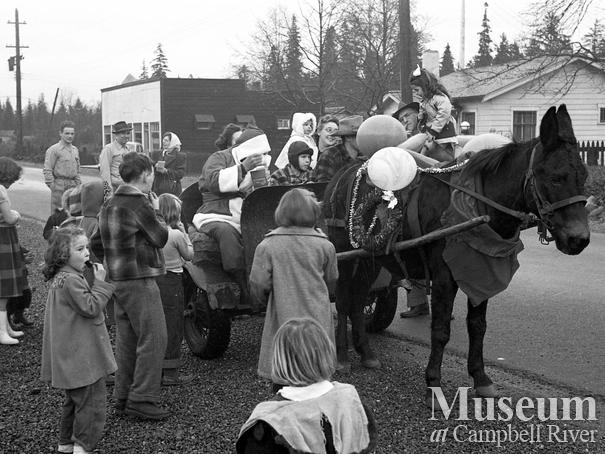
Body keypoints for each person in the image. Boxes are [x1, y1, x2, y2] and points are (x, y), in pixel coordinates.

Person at [96, 151, 170, 420]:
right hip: (140, 279)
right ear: (146, 174)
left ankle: (123, 395)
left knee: (127, 340)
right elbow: (160, 237)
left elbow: (95, 243)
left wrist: (114, 260)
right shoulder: (140, 204)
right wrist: (158, 210)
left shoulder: (110, 203)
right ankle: (143, 398)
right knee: (154, 337)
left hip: (117, 279)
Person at [236, 318, 376, 453]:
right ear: (326, 354)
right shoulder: (350, 399)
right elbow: (365, 443)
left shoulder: (269, 423)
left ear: (279, 361)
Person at [40, 227, 116, 454]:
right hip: (82, 357)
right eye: (80, 249)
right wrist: (101, 283)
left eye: (87, 248)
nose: (87, 254)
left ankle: (66, 444)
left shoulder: (61, 277)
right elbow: (91, 307)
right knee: (91, 404)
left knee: (74, 402)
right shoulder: (72, 280)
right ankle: (83, 447)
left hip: (70, 354)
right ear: (63, 254)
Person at [250, 188, 338, 381]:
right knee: (318, 365)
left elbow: (258, 283)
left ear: (281, 212)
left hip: (283, 313)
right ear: (314, 213)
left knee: (285, 362)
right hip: (318, 315)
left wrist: (265, 300)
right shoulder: (325, 246)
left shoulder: (267, 246)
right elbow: (332, 279)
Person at [193, 127, 272, 305]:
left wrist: (263, 181)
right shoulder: (219, 157)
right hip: (216, 212)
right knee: (226, 233)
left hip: (246, 210)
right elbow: (213, 180)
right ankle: (240, 280)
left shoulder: (259, 162)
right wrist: (243, 168)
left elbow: (259, 190)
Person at [157, 193, 194, 386]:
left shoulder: (155, 233)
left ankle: (157, 369)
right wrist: (186, 234)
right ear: (175, 213)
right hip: (172, 281)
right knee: (174, 325)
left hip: (156, 280)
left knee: (159, 325)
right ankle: (171, 373)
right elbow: (189, 255)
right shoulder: (176, 235)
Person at [400, 66, 458, 163]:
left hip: (443, 133)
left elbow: (444, 113)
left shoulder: (439, 98)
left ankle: (422, 162)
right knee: (426, 146)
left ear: (425, 86)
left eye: (417, 90)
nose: (416, 93)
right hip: (432, 132)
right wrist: (421, 117)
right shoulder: (425, 101)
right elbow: (428, 116)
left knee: (428, 148)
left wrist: (433, 130)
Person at [0, 158, 27, 345]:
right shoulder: (0, 190)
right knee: (4, 288)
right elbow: (9, 218)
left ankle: (5, 326)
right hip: (3, 237)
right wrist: (17, 215)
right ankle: (2, 331)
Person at [43, 120, 81, 211]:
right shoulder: (54, 149)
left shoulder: (75, 150)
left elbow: (78, 170)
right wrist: (53, 186)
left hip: (73, 185)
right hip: (59, 185)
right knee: (58, 213)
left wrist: (78, 185)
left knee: (72, 212)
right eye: (67, 133)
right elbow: (47, 169)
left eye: (72, 133)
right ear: (60, 133)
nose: (70, 136)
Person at [314, 115, 364, 183]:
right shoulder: (330, 156)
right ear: (348, 137)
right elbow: (322, 187)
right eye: (358, 136)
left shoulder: (364, 157)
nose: (362, 139)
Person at [99, 121, 132, 195]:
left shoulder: (128, 149)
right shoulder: (109, 149)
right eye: (123, 133)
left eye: (127, 133)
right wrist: (108, 192)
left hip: (127, 187)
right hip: (114, 189)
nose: (126, 136)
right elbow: (105, 172)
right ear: (116, 135)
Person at [151, 132, 187, 196]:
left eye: (166, 140)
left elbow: (180, 173)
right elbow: (151, 169)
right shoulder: (157, 154)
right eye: (163, 140)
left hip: (172, 189)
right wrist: (155, 167)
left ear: (172, 142)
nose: (163, 142)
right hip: (157, 188)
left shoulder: (180, 156)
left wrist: (166, 171)